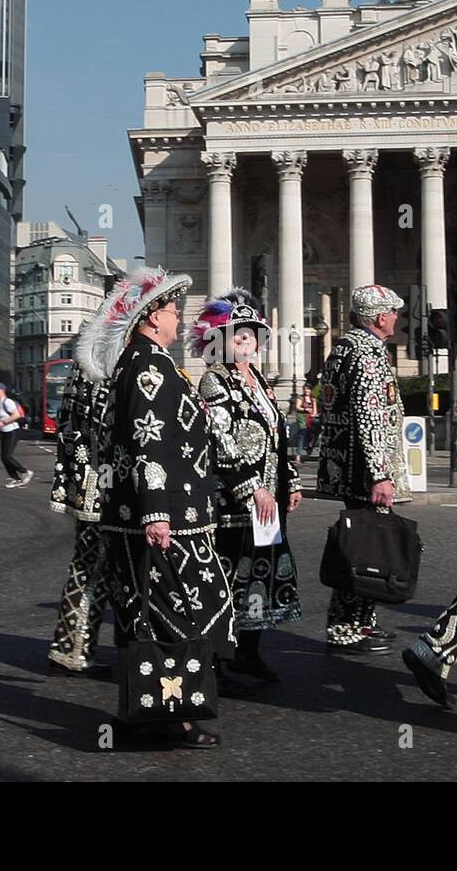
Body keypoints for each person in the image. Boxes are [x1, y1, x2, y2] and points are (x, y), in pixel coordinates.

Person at [94, 268, 235, 748]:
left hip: (147, 515)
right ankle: (173, 715)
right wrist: (156, 511)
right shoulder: (149, 365)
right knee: (175, 613)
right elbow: (147, 439)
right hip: (165, 516)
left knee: (145, 614)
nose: (180, 318)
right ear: (152, 317)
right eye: (174, 311)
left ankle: (142, 710)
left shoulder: (142, 361)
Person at [192, 289, 303, 686]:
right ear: (221, 341)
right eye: (239, 336)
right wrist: (252, 488)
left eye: (252, 336)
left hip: (269, 501)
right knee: (229, 577)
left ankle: (249, 653)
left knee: (260, 575)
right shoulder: (213, 380)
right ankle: (218, 659)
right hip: (234, 502)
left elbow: (278, 436)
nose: (247, 343)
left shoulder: (259, 380)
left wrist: (291, 481)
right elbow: (221, 440)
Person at [316, 284, 411, 654]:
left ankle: (362, 621)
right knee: (361, 549)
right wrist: (380, 474)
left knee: (366, 546)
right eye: (393, 312)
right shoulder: (367, 352)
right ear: (380, 317)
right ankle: (345, 627)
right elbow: (370, 416)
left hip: (346, 465)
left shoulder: (345, 346)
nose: (397, 318)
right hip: (364, 470)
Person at [47, 310, 119, 678]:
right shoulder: (102, 366)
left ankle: (73, 646)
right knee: (93, 566)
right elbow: (106, 426)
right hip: (101, 484)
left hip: (91, 481)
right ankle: (71, 651)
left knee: (93, 566)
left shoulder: (87, 363)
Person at [0, 382, 32, 488]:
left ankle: (25, 472)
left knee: (7, 456)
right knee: (4, 458)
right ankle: (16, 479)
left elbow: (16, 415)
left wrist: (4, 422)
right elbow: (0, 420)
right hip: (5, 431)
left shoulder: (7, 402)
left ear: (1, 390)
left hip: (12, 431)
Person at [294, 382, 318, 463]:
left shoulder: (313, 399)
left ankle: (311, 445)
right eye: (306, 389)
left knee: (318, 426)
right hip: (302, 417)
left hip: (310, 417)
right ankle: (298, 455)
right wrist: (305, 409)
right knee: (303, 432)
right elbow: (297, 407)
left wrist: (313, 414)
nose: (307, 391)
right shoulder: (300, 398)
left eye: (309, 389)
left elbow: (315, 410)